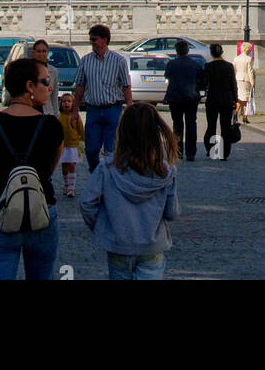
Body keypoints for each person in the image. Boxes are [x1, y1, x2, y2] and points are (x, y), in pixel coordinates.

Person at [0, 56, 62, 280]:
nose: (50, 87)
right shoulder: (51, 127)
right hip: (40, 212)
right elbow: (50, 169)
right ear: (29, 86)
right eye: (45, 81)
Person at [79, 101, 179, 280]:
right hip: (152, 245)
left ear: (122, 132)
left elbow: (87, 203)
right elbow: (171, 213)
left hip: (119, 244)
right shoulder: (165, 172)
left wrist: (102, 226)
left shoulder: (107, 168)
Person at [72, 25, 132, 172]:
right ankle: (97, 174)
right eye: (90, 39)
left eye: (94, 39)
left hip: (113, 109)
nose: (92, 43)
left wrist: (130, 107)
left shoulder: (119, 60)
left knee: (111, 150)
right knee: (91, 150)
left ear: (105, 40)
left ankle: (109, 179)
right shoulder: (85, 61)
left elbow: (126, 85)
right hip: (93, 110)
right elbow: (80, 86)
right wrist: (75, 110)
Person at [164, 40, 202, 160]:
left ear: (176, 51)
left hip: (175, 97)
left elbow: (167, 75)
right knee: (191, 124)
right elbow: (201, 79)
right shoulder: (194, 64)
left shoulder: (171, 64)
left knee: (177, 125)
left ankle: (178, 152)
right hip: (191, 97)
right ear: (187, 50)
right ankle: (191, 153)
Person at [200, 43, 238, 160]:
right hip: (227, 98)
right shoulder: (229, 66)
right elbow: (233, 84)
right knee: (225, 127)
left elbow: (203, 83)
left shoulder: (208, 66)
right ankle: (224, 153)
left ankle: (211, 150)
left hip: (213, 98)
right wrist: (235, 99)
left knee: (211, 126)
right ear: (222, 52)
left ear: (211, 53)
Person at [57, 92, 86, 197]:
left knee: (72, 165)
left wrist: (84, 141)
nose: (66, 103)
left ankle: (71, 188)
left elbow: (81, 130)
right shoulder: (59, 118)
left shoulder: (76, 117)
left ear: (73, 104)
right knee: (64, 167)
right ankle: (66, 183)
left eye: (69, 101)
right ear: (61, 104)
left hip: (73, 146)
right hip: (63, 147)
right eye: (64, 101)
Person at [30, 40, 60, 118]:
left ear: (48, 53)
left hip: (47, 112)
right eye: (38, 51)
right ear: (33, 52)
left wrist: (56, 115)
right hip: (31, 111)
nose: (41, 54)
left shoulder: (53, 71)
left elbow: (54, 95)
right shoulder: (28, 69)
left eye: (44, 51)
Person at [233, 43, 255, 125]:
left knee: (239, 97)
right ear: (247, 49)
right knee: (246, 99)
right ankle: (245, 116)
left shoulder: (236, 58)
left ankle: (235, 113)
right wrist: (252, 82)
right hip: (246, 79)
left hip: (238, 78)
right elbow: (250, 71)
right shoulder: (248, 59)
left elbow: (234, 69)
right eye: (250, 49)